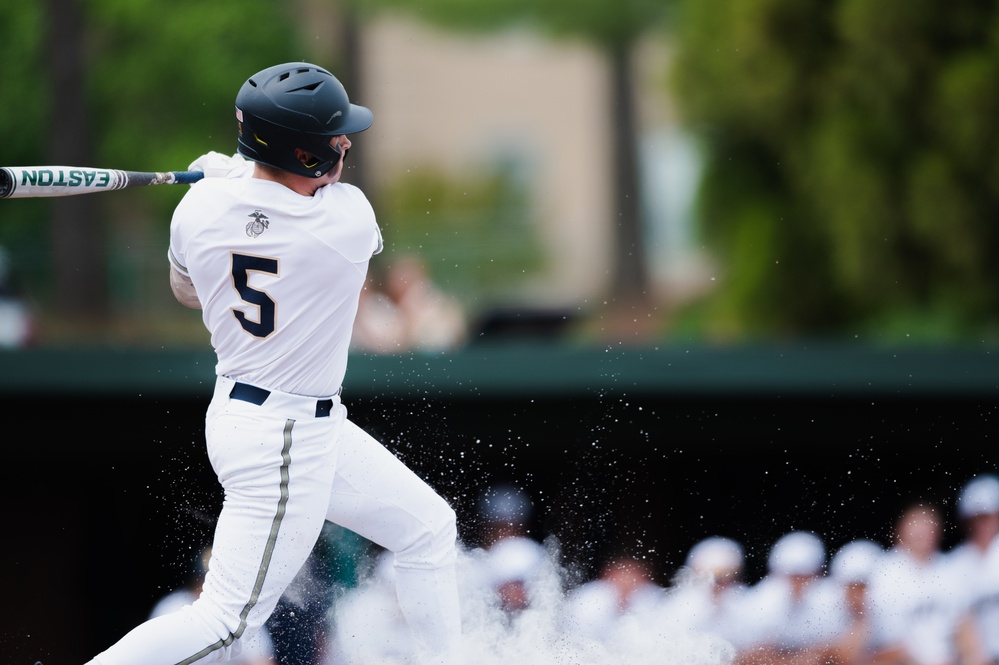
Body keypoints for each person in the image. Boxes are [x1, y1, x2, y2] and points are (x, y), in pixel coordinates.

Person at [86, 62, 462, 665]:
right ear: (304, 154)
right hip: (283, 433)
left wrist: (225, 186)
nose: (344, 146)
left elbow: (190, 291)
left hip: (273, 418)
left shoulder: (195, 213)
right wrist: (235, 180)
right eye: (333, 139)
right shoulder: (347, 221)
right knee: (225, 619)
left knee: (427, 529)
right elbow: (289, 210)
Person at [865, 501, 960, 665]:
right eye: (916, 528)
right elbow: (882, 643)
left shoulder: (950, 569)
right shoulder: (883, 573)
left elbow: (964, 626)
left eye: (928, 528)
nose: (922, 534)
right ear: (900, 532)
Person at [148, 547, 277, 665]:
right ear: (197, 580)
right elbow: (153, 655)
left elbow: (261, 660)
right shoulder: (172, 607)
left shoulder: (238, 612)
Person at [734, 530, 845, 665]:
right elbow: (749, 655)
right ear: (775, 574)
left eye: (804, 576)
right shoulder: (761, 600)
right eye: (792, 576)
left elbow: (840, 651)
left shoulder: (831, 598)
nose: (797, 583)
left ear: (818, 574)